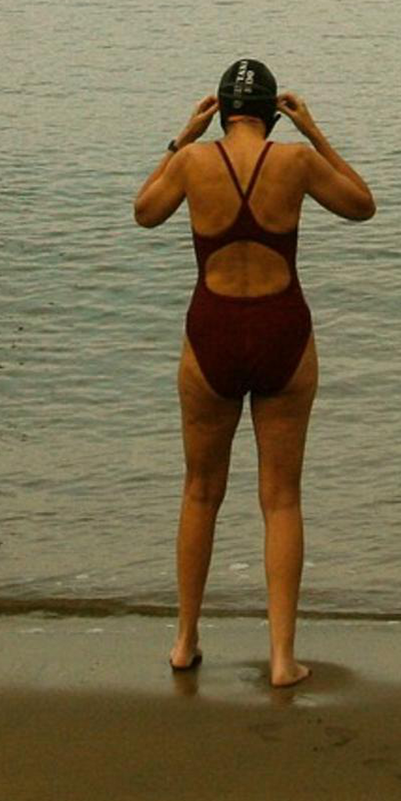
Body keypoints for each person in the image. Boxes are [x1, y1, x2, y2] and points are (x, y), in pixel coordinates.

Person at [133, 57, 374, 685]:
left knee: (199, 491)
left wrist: (182, 138)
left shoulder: (192, 163)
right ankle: (281, 658)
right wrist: (317, 132)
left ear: (219, 108)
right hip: (281, 332)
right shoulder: (294, 161)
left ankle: (185, 640)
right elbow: (361, 206)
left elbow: (144, 212)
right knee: (282, 498)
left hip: (211, 331)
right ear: (272, 112)